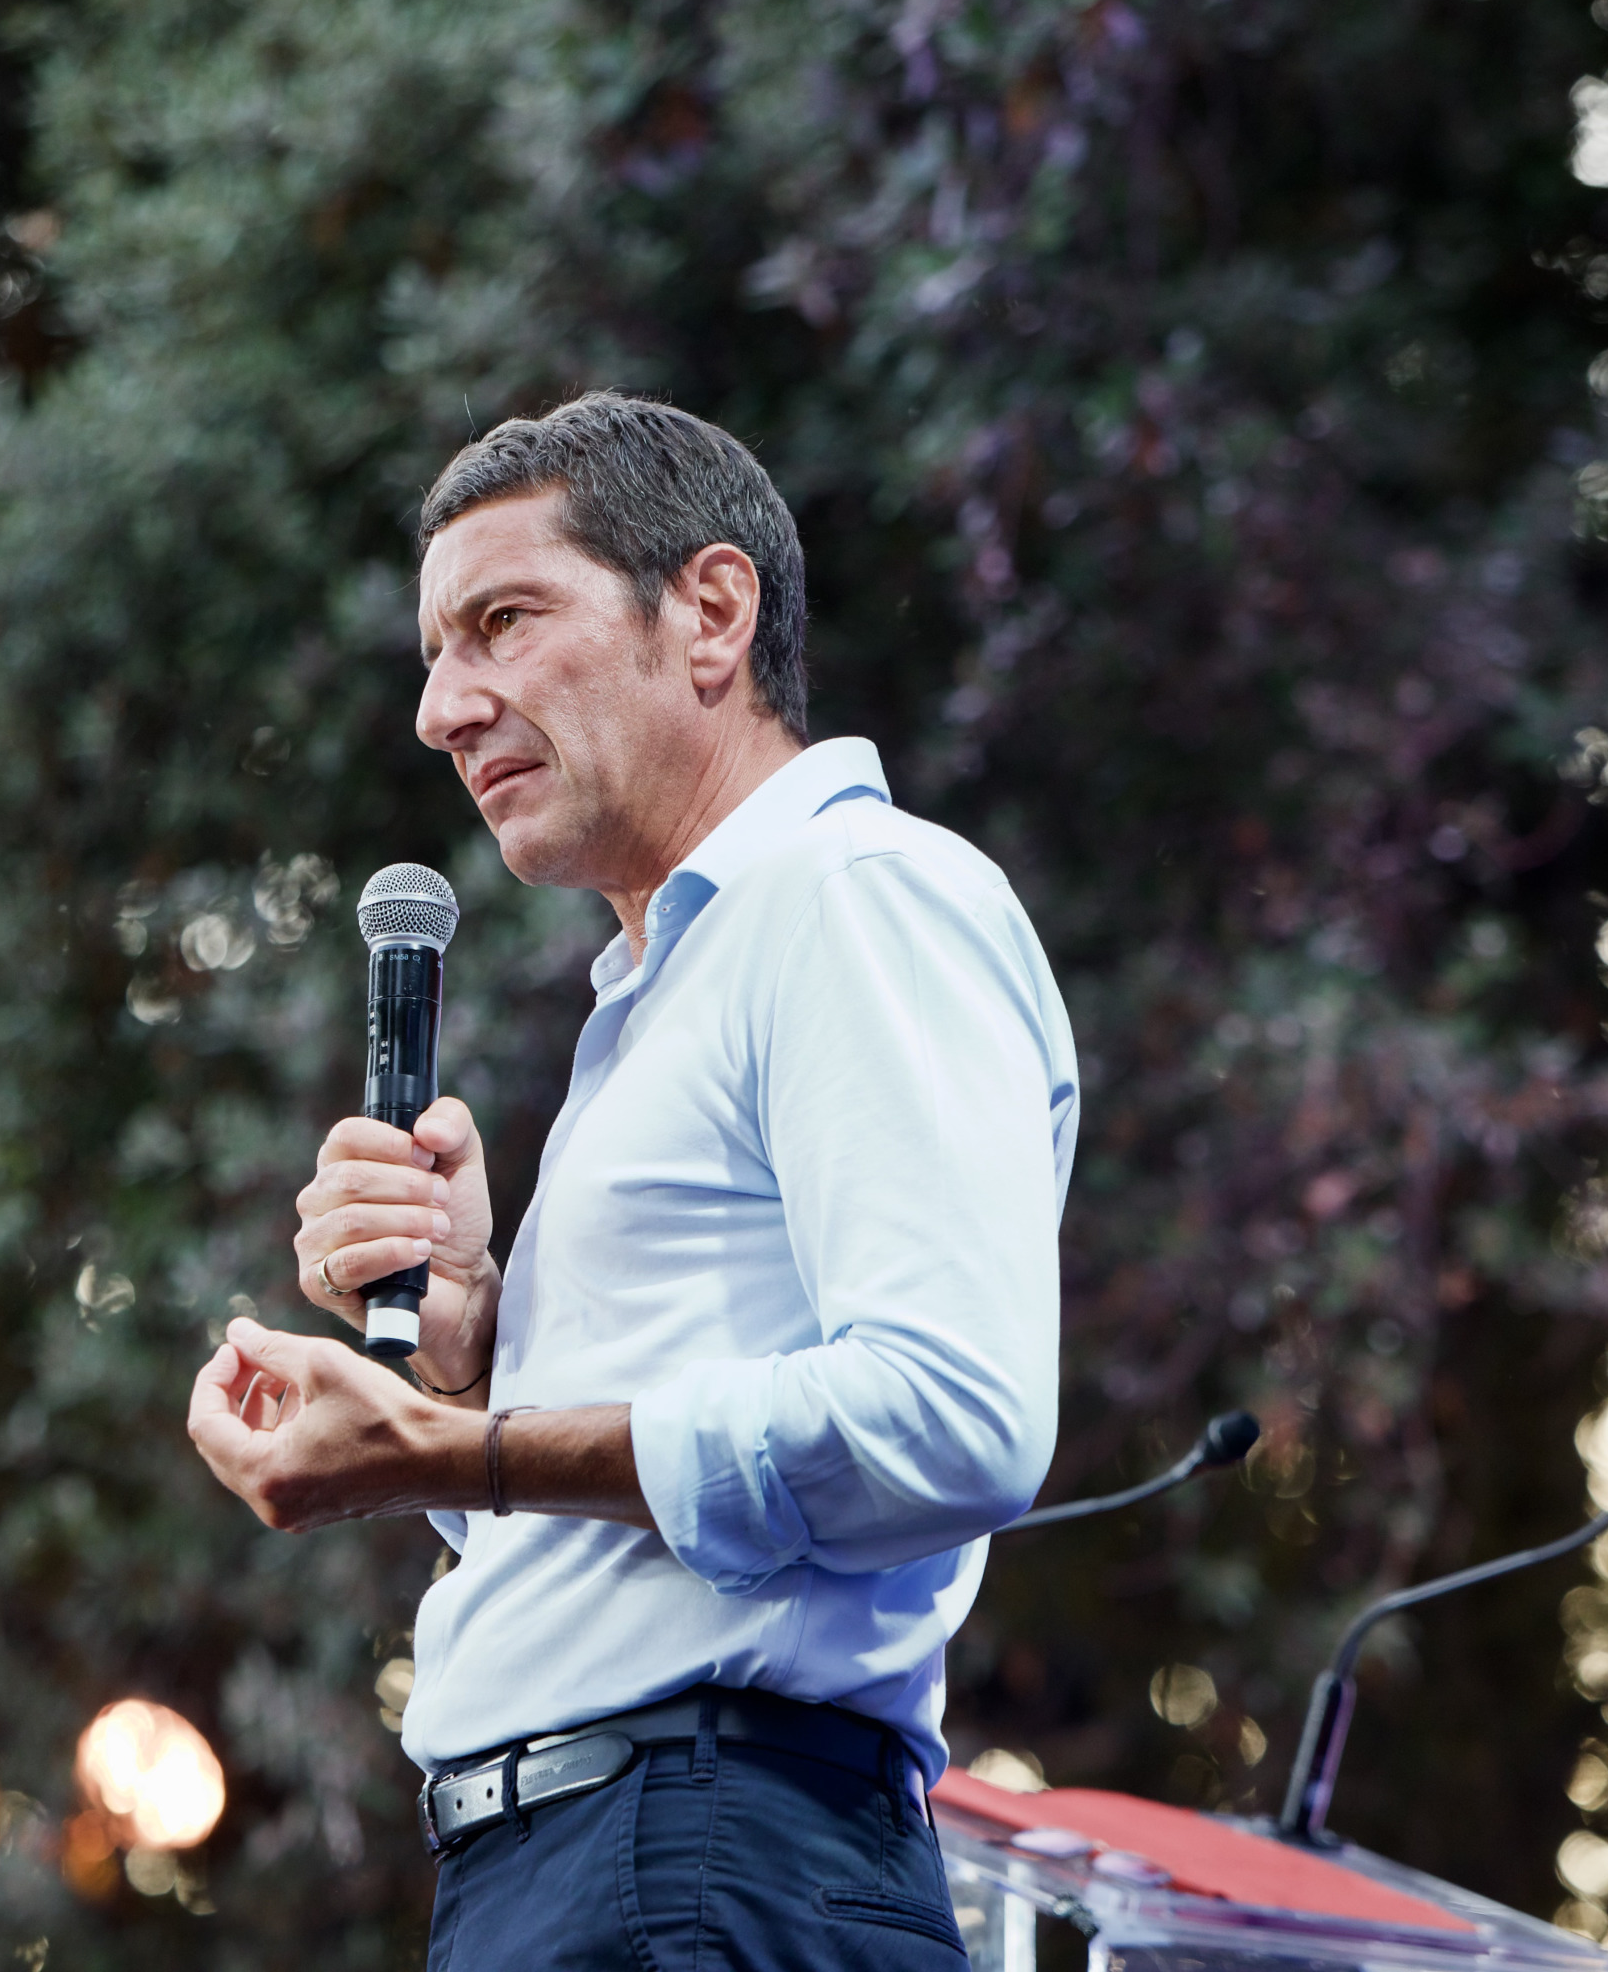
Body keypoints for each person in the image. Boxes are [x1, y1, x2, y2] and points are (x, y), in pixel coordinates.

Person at [186, 391, 1078, 1968]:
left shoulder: (851, 897)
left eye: (503, 623)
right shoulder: (668, 981)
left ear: (710, 613)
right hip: (602, 1867)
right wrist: (461, 1356)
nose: (442, 709)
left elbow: (955, 1417)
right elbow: (628, 1552)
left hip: (701, 1858)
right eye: (436, 655)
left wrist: (457, 1454)